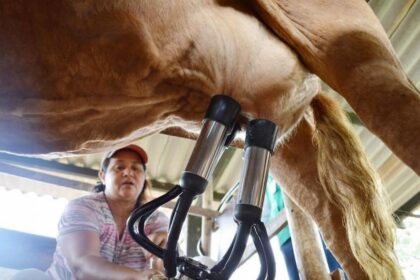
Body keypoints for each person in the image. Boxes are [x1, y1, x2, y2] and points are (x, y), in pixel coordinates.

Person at [44, 144, 170, 280]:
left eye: (136, 168)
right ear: (102, 176)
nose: (128, 173)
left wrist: (166, 254)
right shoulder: (84, 207)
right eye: (119, 167)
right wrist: (136, 277)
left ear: (144, 177)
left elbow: (171, 267)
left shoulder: (155, 219)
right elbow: (81, 267)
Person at [264, 175, 343, 280]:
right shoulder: (265, 176)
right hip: (285, 237)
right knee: (297, 275)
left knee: (331, 266)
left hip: (313, 223)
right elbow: (265, 213)